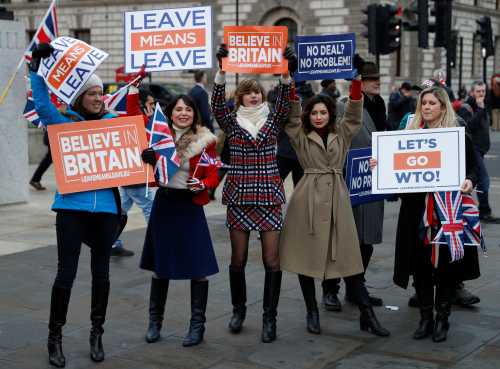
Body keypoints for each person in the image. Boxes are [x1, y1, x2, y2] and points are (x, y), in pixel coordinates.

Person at [29, 44, 124, 367]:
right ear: (80, 97)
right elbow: (41, 104)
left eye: (101, 93)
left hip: (107, 212)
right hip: (71, 209)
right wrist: (35, 68)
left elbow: (136, 154)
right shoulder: (63, 123)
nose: (99, 98)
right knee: (65, 274)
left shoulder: (115, 124)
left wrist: (146, 157)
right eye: (92, 93)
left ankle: (97, 334)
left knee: (102, 275)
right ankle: (54, 337)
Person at [279, 74, 390, 337]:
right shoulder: (300, 134)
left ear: (330, 113)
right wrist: (289, 86)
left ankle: (368, 315)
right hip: (307, 198)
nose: (318, 116)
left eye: (323, 112)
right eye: (314, 112)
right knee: (304, 259)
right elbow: (292, 118)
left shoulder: (342, 132)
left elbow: (353, 115)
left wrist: (355, 86)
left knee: (349, 259)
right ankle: (312, 312)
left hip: (338, 199)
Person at [211, 44, 294, 343]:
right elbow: (217, 106)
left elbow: (285, 102)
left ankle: (269, 319)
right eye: (249, 92)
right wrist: (222, 70)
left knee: (273, 260)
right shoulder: (232, 123)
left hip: (269, 195)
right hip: (240, 196)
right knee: (238, 259)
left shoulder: (272, 120)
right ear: (241, 97)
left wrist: (285, 72)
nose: (254, 95)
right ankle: (238, 310)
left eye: (257, 91)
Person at [387, 86, 480, 342]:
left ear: (442, 107)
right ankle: (425, 318)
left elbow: (473, 168)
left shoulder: (457, 135)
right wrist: (380, 164)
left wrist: (469, 182)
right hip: (415, 212)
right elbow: (393, 166)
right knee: (420, 265)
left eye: (432, 103)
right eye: (423, 103)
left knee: (445, 267)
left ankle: (442, 318)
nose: (426, 107)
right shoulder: (409, 135)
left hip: (446, 210)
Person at [139, 94, 219, 347]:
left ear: (195, 113)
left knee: (198, 269)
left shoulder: (205, 140)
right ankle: (154, 323)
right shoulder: (157, 137)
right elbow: (131, 119)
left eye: (188, 110)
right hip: (165, 204)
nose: (183, 113)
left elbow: (214, 173)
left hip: (190, 205)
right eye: (178, 109)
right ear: (170, 113)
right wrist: (148, 158)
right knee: (161, 268)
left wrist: (203, 183)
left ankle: (197, 327)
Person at [321, 57, 387, 312]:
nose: (377, 82)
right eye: (371, 79)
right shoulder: (342, 105)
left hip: (373, 178)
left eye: (377, 78)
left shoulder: (380, 105)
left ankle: (356, 288)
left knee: (367, 239)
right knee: (341, 239)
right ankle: (330, 289)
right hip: (349, 177)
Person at [111, 84, 155, 257]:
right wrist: (133, 91)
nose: (153, 107)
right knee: (150, 209)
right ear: (142, 105)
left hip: (131, 175)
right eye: (150, 104)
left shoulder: (147, 120)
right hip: (135, 175)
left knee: (120, 209)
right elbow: (132, 109)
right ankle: (157, 243)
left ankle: (112, 242)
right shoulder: (138, 120)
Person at [457, 81, 500, 223]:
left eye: (483, 91)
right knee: (484, 180)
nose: (481, 94)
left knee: (478, 180)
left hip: (480, 149)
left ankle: (479, 210)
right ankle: (484, 211)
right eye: (478, 91)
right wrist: (481, 109)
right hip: (473, 148)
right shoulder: (467, 107)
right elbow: (469, 127)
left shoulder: (483, 104)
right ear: (472, 92)